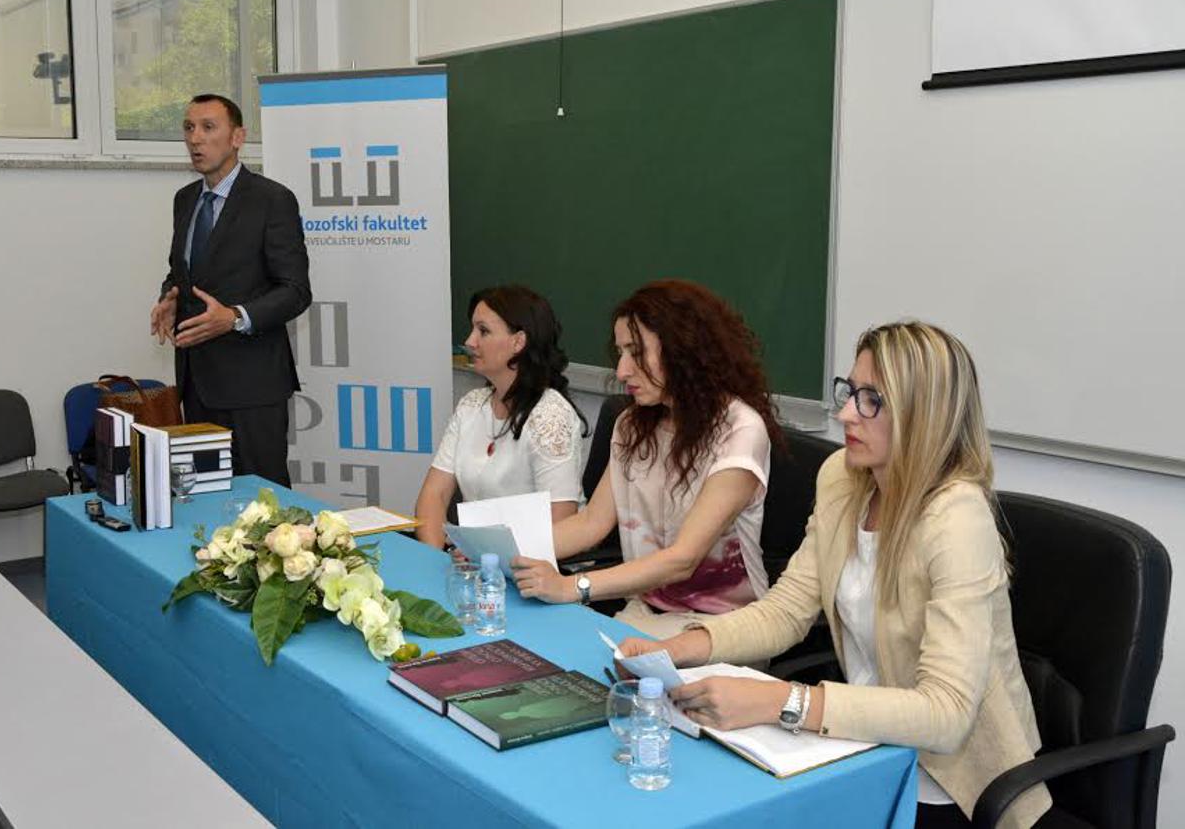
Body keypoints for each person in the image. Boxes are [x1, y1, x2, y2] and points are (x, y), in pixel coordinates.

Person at [618, 321, 1052, 829]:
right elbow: (786, 612)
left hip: (956, 783)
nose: (846, 413)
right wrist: (680, 648)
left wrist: (783, 700)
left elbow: (947, 712)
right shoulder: (844, 479)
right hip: (864, 743)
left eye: (872, 400)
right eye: (850, 391)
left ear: (923, 414)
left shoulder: (957, 519)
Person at [513, 280, 782, 639]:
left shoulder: (740, 430)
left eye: (636, 352)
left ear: (683, 351)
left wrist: (571, 587)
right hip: (646, 612)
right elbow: (591, 523)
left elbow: (683, 559)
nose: (622, 370)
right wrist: (503, 551)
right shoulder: (632, 425)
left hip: (720, 628)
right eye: (621, 352)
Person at [150, 93, 311, 488]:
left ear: (238, 137)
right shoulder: (185, 200)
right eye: (189, 128)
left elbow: (295, 290)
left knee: (264, 501)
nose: (195, 139)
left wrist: (235, 317)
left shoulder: (272, 200)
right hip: (197, 383)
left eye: (208, 127)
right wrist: (170, 298)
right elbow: (181, 272)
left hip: (252, 385)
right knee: (206, 495)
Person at [414, 286, 587, 548]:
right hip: (475, 558)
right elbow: (433, 495)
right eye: (472, 329)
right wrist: (434, 555)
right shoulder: (471, 405)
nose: (469, 341)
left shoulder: (550, 416)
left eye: (483, 331)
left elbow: (560, 522)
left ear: (518, 342)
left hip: (537, 562)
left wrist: (485, 556)